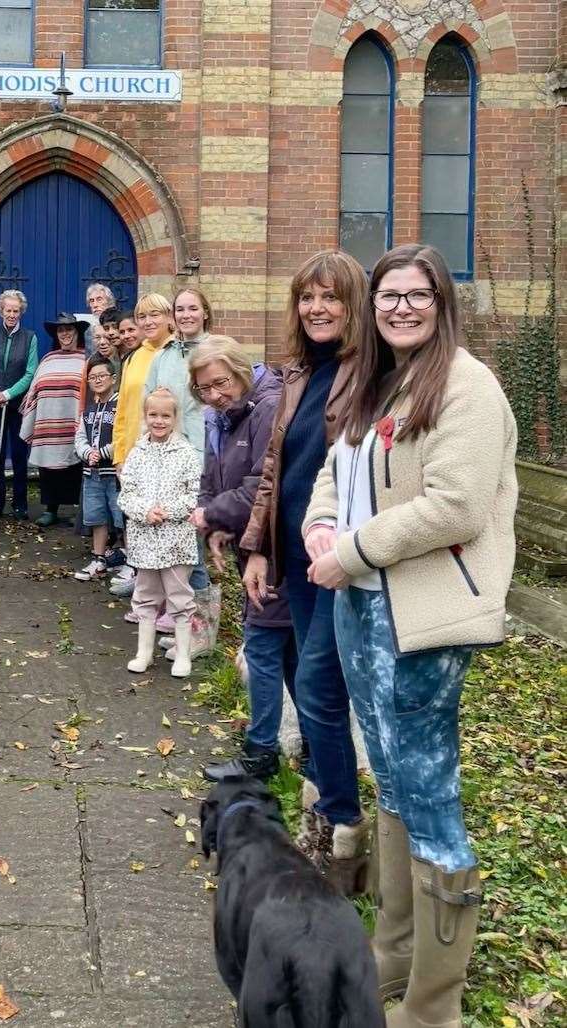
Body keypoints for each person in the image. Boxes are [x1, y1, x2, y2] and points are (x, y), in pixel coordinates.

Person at [303, 244, 517, 1024]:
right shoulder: (378, 381)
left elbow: (456, 506)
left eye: (416, 295)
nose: (400, 307)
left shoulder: (467, 386)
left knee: (430, 799)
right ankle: (391, 959)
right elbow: (337, 466)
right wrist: (322, 523)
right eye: (388, 295)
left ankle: (433, 1007)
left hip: (424, 618)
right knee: (390, 778)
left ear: (441, 302)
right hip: (360, 603)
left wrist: (352, 549)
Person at [238, 249, 370, 893]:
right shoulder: (296, 374)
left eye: (330, 297)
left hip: (341, 560)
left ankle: (341, 823)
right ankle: (329, 807)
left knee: (319, 683)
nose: (316, 309)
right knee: (308, 680)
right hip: (295, 557)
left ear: (354, 305)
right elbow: (274, 470)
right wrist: (258, 547)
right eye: (306, 298)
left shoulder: (369, 373)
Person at [185, 338, 295, 782]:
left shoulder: (267, 408)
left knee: (265, 646)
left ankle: (261, 753)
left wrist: (211, 513)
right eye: (203, 389)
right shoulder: (224, 417)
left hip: (279, 551)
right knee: (288, 655)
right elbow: (213, 476)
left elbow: (263, 485)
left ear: (241, 371)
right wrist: (216, 522)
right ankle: (308, 750)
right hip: (252, 548)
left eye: (220, 383)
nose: (213, 395)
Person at [146, 287, 218, 660]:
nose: (187, 314)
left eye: (193, 308)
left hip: (204, 460)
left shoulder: (216, 350)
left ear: (205, 312)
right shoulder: (163, 356)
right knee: (176, 549)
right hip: (168, 461)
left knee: (193, 549)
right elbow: (152, 405)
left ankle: (202, 632)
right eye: (181, 309)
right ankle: (183, 629)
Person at [117, 388, 203, 678]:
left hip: (176, 539)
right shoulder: (137, 453)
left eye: (166, 415)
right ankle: (144, 652)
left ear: (175, 418)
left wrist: (166, 510)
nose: (159, 421)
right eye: (153, 414)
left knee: (179, 595)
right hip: (144, 540)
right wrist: (144, 511)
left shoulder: (187, 453)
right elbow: (126, 493)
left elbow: (193, 494)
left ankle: (183, 652)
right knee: (145, 594)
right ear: (145, 416)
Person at [109, 292, 174, 599]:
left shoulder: (177, 352)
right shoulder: (135, 356)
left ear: (168, 317)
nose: (148, 322)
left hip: (165, 454)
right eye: (142, 316)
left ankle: (165, 594)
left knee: (163, 524)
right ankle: (142, 580)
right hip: (134, 452)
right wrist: (120, 454)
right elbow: (123, 408)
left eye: (155, 315)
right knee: (136, 521)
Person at [20, 313, 87, 527]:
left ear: (77, 333)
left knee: (75, 464)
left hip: (73, 422)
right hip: (48, 421)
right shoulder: (48, 359)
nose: (65, 333)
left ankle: (78, 509)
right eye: (61, 330)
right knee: (48, 466)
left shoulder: (86, 358)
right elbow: (34, 390)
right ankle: (50, 509)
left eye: (69, 329)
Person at [0, 289, 38, 519]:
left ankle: (20, 504)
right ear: (0, 310)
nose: (12, 314)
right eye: (8, 310)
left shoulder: (29, 337)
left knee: (20, 454)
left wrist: (8, 394)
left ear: (21, 311)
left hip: (18, 405)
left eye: (16, 310)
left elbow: (31, 372)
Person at [73, 356, 121, 580]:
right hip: (91, 473)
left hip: (114, 473)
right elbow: (79, 438)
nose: (97, 380)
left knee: (121, 516)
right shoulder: (89, 409)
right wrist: (86, 453)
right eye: (92, 377)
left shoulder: (120, 405)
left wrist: (101, 453)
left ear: (113, 378)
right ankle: (99, 559)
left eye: (101, 376)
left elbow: (123, 437)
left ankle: (129, 560)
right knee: (96, 517)